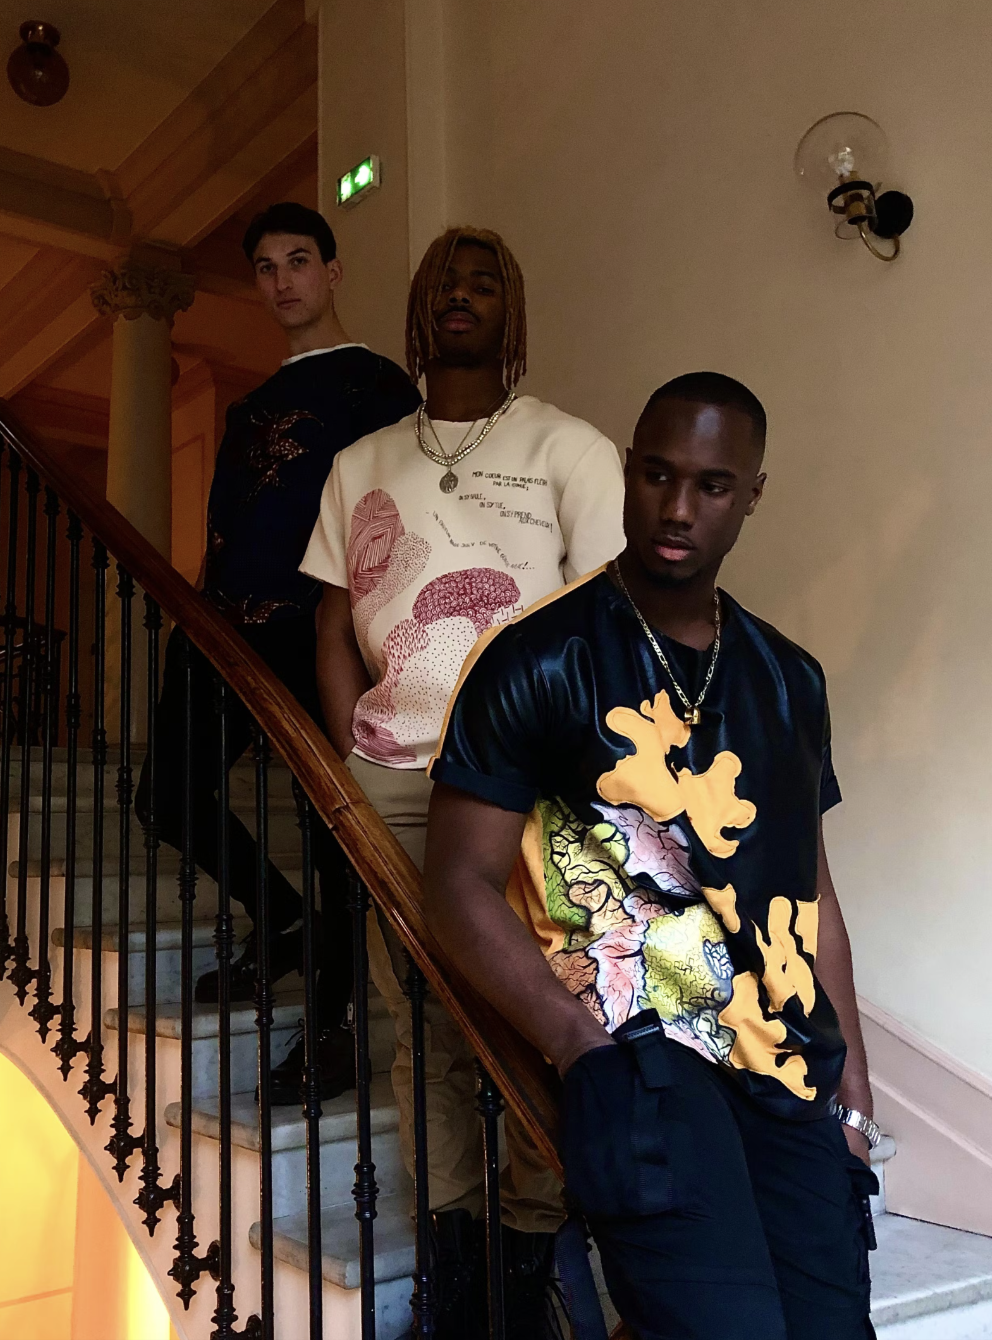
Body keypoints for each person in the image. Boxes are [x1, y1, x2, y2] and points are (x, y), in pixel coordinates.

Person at [425, 371, 880, 1340]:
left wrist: (853, 1084)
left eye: (712, 486)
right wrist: (576, 1044)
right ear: (628, 472)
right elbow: (457, 887)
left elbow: (812, 890)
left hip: (786, 1062)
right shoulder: (537, 659)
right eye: (658, 476)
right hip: (644, 1058)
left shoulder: (790, 680)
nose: (678, 509)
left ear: (752, 495)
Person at [299, 226, 626, 1334]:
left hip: (524, 785)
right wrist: (348, 754)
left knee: (534, 1007)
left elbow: (604, 624)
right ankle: (451, 1253)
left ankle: (527, 1247)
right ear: (416, 308)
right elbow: (334, 621)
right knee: (419, 1017)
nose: (461, 295)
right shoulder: (361, 463)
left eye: (484, 282)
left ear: (512, 311)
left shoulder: (569, 447)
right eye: (444, 281)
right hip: (391, 779)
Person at [135, 203, 421, 1104]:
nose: (282, 280)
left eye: (299, 260)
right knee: (165, 795)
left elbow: (398, 517)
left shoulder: (376, 386)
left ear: (332, 271)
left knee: (333, 831)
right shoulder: (251, 405)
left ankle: (333, 1032)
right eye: (265, 267)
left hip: (316, 632)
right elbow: (231, 525)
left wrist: (372, 640)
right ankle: (284, 918)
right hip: (220, 629)